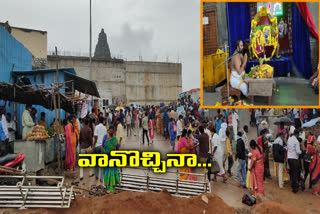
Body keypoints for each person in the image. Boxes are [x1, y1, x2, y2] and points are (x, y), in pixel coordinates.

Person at [102, 126, 120, 193]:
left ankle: (112, 189)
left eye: (112, 130)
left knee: (112, 173)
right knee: (106, 172)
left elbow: (117, 148)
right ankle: (107, 187)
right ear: (108, 130)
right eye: (110, 130)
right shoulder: (105, 137)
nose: (111, 131)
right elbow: (102, 145)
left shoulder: (115, 139)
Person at [92, 117, 107, 182]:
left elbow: (95, 137)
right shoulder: (105, 128)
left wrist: (93, 146)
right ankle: (101, 177)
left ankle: (96, 175)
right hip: (103, 147)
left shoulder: (97, 127)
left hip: (97, 145)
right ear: (103, 121)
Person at [287, 129, 302, 193]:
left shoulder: (289, 139)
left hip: (289, 158)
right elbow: (298, 151)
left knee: (292, 173)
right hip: (294, 158)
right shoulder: (296, 141)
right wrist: (301, 152)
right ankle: (295, 189)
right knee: (295, 173)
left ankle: (293, 185)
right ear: (297, 134)